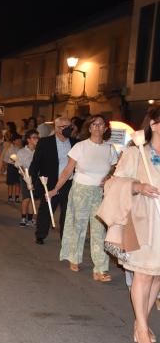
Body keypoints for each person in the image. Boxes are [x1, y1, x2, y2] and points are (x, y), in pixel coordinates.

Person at [96, 104, 160, 343]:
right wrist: (138, 187)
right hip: (143, 222)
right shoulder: (135, 154)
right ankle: (142, 328)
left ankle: (140, 321)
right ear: (154, 125)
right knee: (143, 274)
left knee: (156, 275)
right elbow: (114, 183)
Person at [48, 115, 117, 281]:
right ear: (89, 127)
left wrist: (109, 176)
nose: (97, 127)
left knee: (99, 230)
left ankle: (100, 269)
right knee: (77, 226)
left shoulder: (110, 149)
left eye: (101, 124)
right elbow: (67, 171)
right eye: (94, 124)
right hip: (80, 190)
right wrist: (55, 189)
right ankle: (74, 257)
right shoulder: (80, 146)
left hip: (100, 193)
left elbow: (114, 168)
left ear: (105, 128)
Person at [29, 116, 77, 245]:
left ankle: (65, 238)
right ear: (56, 128)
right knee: (46, 208)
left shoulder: (75, 143)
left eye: (69, 127)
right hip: (50, 182)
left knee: (67, 211)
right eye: (64, 127)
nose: (68, 129)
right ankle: (40, 234)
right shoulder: (45, 142)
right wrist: (31, 181)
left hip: (69, 182)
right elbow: (36, 163)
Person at [15, 129, 40, 226]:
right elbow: (19, 165)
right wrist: (25, 176)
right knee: (26, 197)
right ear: (28, 140)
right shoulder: (22, 152)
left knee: (32, 197)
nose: (37, 140)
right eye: (34, 138)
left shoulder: (38, 151)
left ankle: (30, 219)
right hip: (25, 176)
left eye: (37, 137)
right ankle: (23, 218)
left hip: (35, 176)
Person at [2, 133, 23, 203]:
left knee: (18, 182)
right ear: (14, 141)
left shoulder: (22, 149)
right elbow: (5, 159)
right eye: (17, 140)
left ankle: (17, 196)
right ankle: (10, 196)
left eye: (20, 140)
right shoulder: (10, 149)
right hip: (11, 166)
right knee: (10, 183)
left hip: (19, 167)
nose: (19, 141)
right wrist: (4, 167)